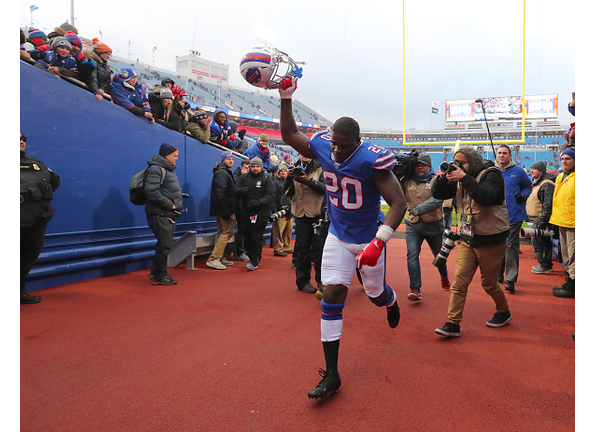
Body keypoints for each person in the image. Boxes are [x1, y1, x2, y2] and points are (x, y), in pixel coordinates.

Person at [279, 76, 407, 399]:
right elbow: (290, 135)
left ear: (358, 142)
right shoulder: (324, 145)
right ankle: (332, 374)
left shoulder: (372, 161)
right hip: (337, 235)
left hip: (367, 238)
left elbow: (399, 202)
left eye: (342, 145)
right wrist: (285, 98)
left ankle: (391, 302)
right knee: (332, 295)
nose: (335, 149)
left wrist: (379, 242)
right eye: (333, 143)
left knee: (375, 294)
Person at [431, 147, 512, 339]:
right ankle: (453, 323)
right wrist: (443, 179)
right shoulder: (460, 178)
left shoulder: (492, 174)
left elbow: (487, 197)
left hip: (491, 239)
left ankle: (503, 311)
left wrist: (464, 178)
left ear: (473, 163)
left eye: (463, 163)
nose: (459, 166)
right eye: (456, 162)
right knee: (459, 282)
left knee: (489, 284)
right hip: (468, 240)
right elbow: (438, 194)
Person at [401, 153, 450, 301]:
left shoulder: (436, 180)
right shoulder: (406, 181)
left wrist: (419, 209)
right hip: (413, 224)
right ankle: (415, 289)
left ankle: (443, 275)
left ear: (430, 166)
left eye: (423, 165)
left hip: (433, 226)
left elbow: (438, 200)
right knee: (412, 254)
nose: (420, 167)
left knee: (439, 257)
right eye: (417, 165)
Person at [20, 132, 61, 304]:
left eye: (23, 139)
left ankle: (18, 291)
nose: (21, 141)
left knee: (28, 256)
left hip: (37, 218)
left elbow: (54, 181)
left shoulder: (36, 163)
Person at [284, 154, 326, 294]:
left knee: (320, 250)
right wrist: (289, 178)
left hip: (317, 213)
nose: (305, 156)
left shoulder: (320, 168)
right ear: (298, 154)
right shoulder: (293, 168)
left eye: (307, 153)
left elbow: (325, 189)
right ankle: (303, 282)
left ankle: (321, 281)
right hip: (300, 213)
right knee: (302, 248)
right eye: (302, 153)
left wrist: (308, 181)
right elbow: (286, 193)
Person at [145, 143, 183, 285]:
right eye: (175, 156)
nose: (177, 159)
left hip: (164, 213)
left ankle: (156, 272)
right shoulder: (156, 169)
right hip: (160, 213)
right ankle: (160, 275)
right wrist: (170, 204)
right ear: (167, 157)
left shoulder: (164, 169)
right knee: (165, 245)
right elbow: (151, 192)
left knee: (164, 244)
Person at [495, 145, 532, 294]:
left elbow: (528, 186)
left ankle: (510, 279)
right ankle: (498, 272)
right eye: (499, 153)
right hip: (496, 215)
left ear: (510, 155)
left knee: (510, 245)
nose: (501, 155)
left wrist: (523, 195)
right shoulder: (493, 171)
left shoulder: (518, 171)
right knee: (498, 246)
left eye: (504, 153)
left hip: (514, 214)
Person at [235, 157, 275, 270]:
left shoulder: (267, 178)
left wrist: (259, 202)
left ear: (261, 167)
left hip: (261, 211)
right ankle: (249, 254)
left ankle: (255, 259)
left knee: (256, 235)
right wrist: (241, 191)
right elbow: (235, 189)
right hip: (246, 212)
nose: (255, 168)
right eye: (253, 166)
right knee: (246, 235)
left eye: (257, 166)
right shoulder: (244, 177)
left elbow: (270, 194)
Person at [549, 149, 575, 298]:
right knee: (565, 253)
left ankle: (573, 285)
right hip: (560, 220)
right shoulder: (560, 177)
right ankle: (569, 280)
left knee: (573, 254)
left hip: (573, 222)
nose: (564, 161)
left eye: (568, 159)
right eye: (563, 159)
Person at [206, 152, 237, 270]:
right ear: (223, 160)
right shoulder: (223, 173)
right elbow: (220, 193)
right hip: (225, 209)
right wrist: (225, 211)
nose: (231, 161)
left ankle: (220, 256)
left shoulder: (222, 172)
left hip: (221, 209)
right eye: (228, 159)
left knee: (221, 232)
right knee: (227, 232)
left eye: (232, 159)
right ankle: (214, 259)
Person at [526, 161, 556, 274]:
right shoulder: (540, 183)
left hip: (542, 220)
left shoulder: (546, 184)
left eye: (534, 169)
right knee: (538, 242)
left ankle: (545, 265)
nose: (531, 171)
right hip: (537, 219)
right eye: (531, 168)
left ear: (541, 171)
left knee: (541, 242)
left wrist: (543, 219)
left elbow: (547, 204)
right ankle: (543, 263)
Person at [271, 164, 294, 258]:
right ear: (278, 173)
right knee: (278, 232)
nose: (283, 172)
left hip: (290, 210)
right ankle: (278, 248)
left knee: (288, 231)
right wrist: (275, 210)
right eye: (281, 171)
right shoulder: (275, 182)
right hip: (280, 210)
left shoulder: (291, 182)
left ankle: (287, 246)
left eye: (284, 171)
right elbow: (273, 197)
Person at [232, 159, 251, 262]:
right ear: (241, 167)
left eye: (249, 168)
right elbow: (235, 190)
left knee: (246, 230)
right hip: (238, 207)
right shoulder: (236, 177)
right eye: (246, 168)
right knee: (241, 230)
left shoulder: (249, 177)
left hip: (247, 207)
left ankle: (244, 251)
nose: (248, 170)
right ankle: (240, 252)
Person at [82, 38, 113, 102]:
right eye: (106, 53)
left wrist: (102, 89)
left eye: (109, 54)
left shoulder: (106, 66)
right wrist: (97, 92)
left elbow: (108, 81)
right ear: (100, 52)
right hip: (90, 93)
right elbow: (92, 78)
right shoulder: (92, 62)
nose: (108, 56)